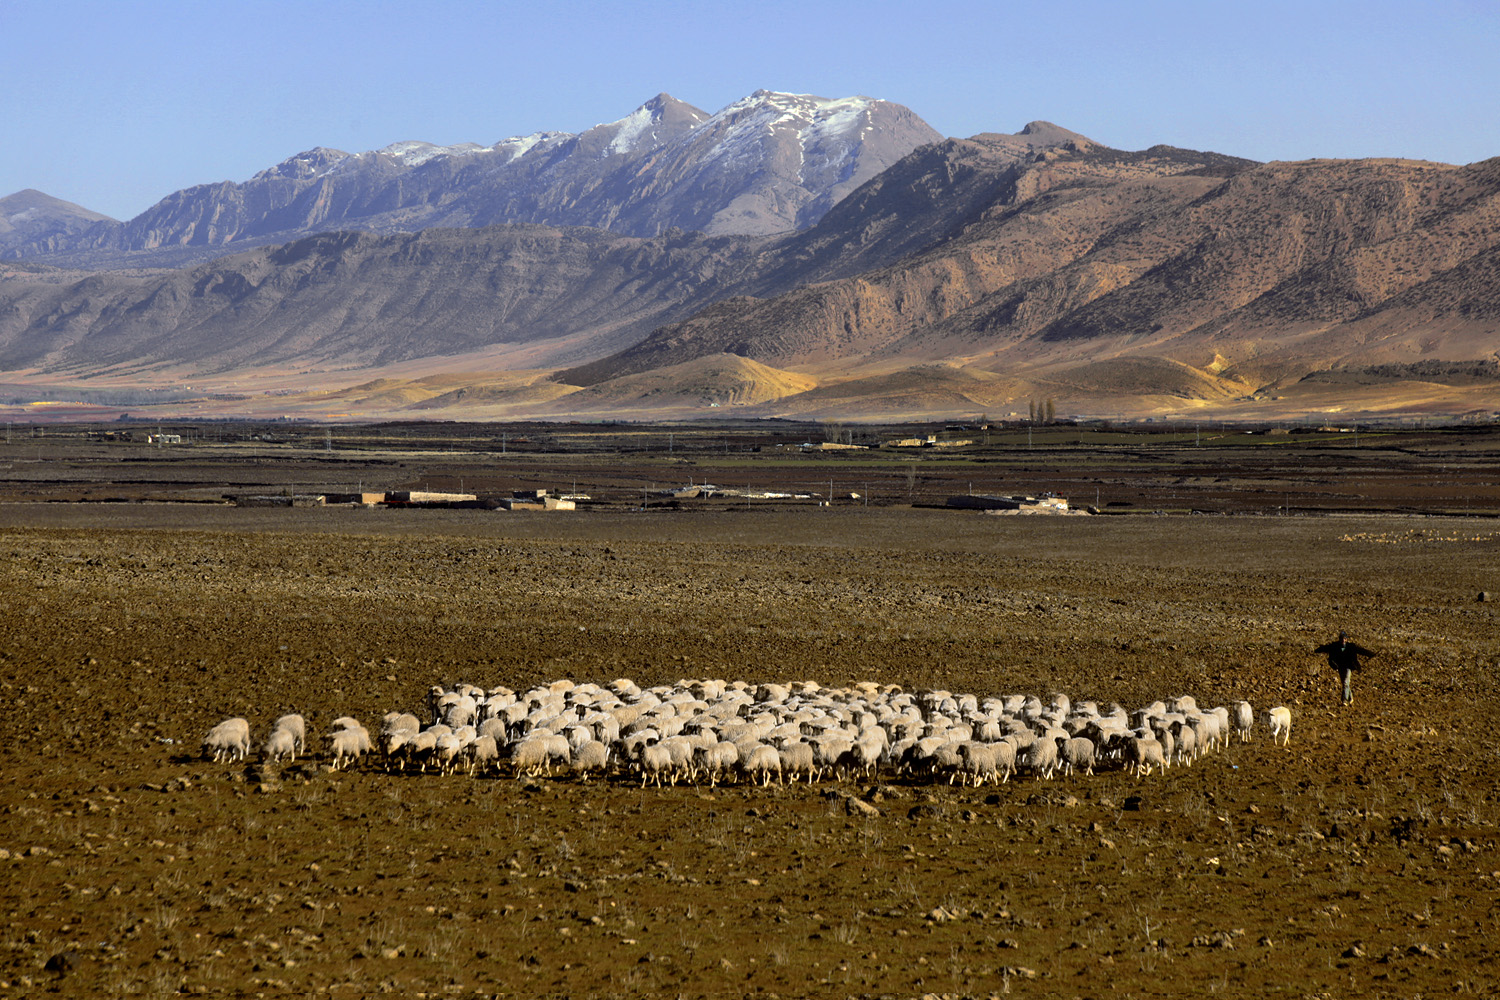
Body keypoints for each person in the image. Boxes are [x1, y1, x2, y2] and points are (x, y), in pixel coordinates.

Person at [1314, 631, 1376, 705]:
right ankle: (1350, 698)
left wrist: (1371, 654)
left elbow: (1361, 651)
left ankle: (1344, 700)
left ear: (1346, 639)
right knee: (1345, 683)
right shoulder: (1335, 646)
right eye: (1341, 639)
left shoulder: (1351, 647)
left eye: (1344, 639)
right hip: (1340, 667)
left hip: (1349, 667)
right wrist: (1317, 650)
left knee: (1346, 683)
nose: (1343, 640)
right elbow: (1326, 648)